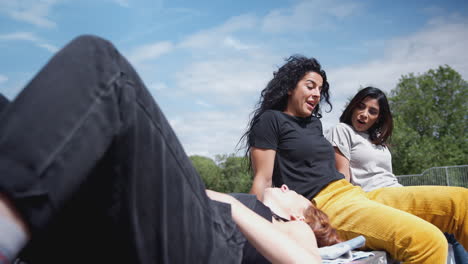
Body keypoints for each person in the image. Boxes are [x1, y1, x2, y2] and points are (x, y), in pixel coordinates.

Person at [0, 35, 339, 264]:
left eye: (298, 196)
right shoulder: (260, 194)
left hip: (218, 245)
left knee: (101, 62)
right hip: (150, 224)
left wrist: (234, 205)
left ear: (298, 214)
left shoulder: (292, 226)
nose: (287, 186)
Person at [241, 55, 468, 263]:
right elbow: (263, 180)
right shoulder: (271, 120)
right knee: (428, 242)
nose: (317, 94)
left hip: (355, 193)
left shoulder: (314, 124)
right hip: (325, 205)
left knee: (462, 202)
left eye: (320, 89)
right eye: (310, 86)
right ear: (290, 87)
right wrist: (253, 230)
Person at [326, 86, 468, 263]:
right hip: (372, 197)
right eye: (360, 106)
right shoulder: (342, 130)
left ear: (379, 118)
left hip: (395, 192)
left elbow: (387, 175)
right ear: (352, 107)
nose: (364, 114)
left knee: (457, 221)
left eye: (372, 111)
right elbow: (342, 176)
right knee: (460, 199)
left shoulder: (377, 140)